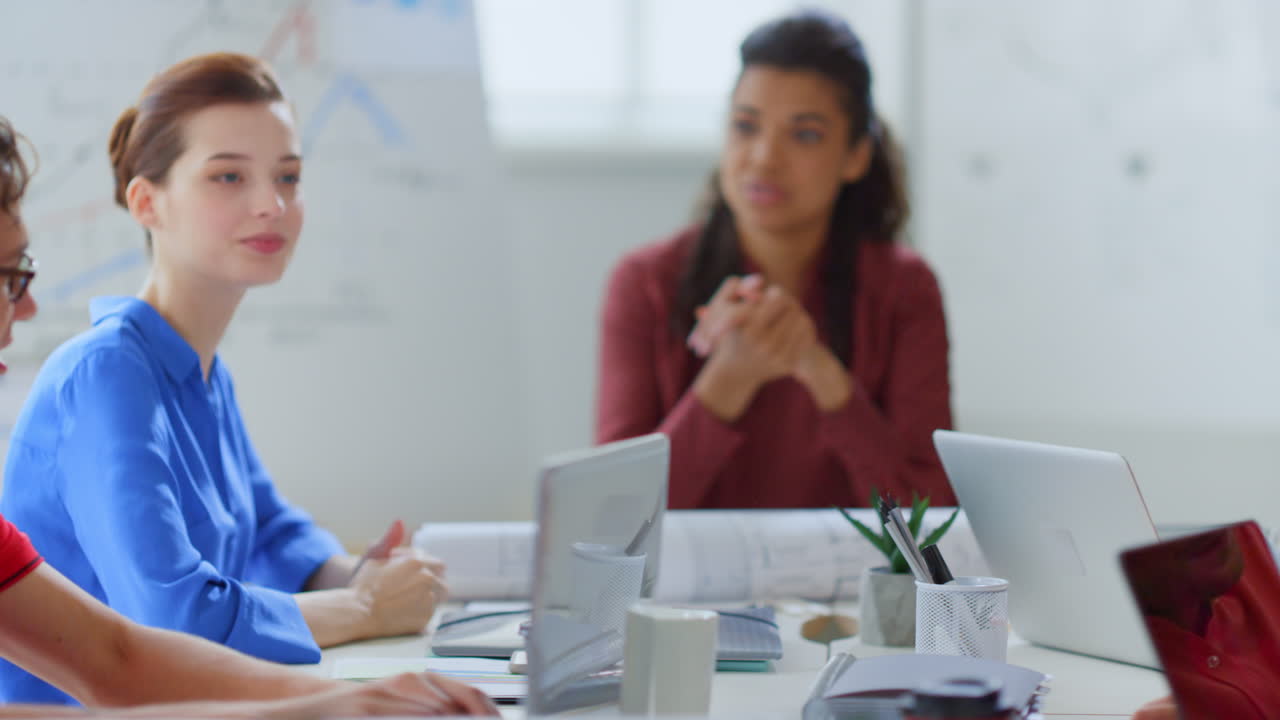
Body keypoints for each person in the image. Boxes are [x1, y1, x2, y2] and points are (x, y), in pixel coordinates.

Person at [0, 113, 494, 717]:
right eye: (228, 177)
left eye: (288, 177)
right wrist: (361, 613)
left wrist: (355, 608)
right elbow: (163, 627)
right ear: (146, 202)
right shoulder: (106, 371)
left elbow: (263, 532)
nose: (271, 204)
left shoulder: (204, 373)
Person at [595, 10, 957, 509]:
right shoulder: (646, 281)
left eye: (805, 134)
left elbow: (932, 514)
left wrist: (821, 373)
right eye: (745, 126)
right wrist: (728, 381)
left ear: (856, 155)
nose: (764, 157)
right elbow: (612, 516)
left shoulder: (904, 288)